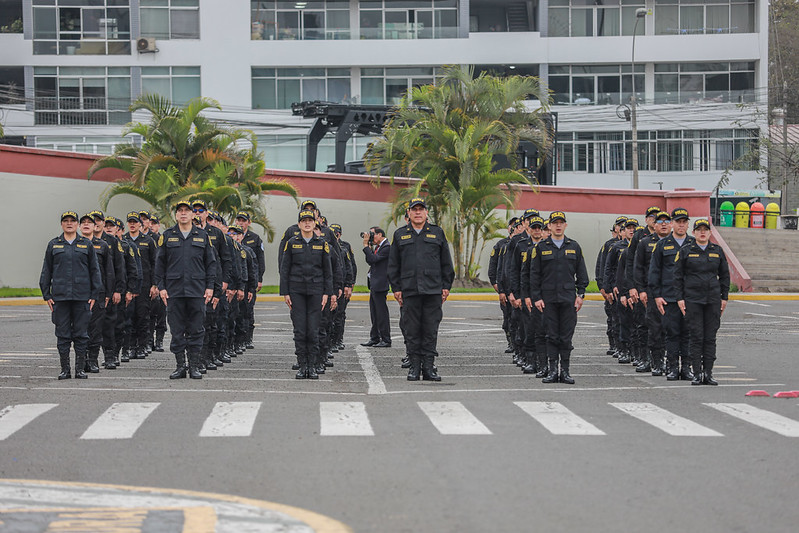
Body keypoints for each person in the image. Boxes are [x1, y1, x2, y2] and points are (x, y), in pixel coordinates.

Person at [387, 197, 455, 382]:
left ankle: (429, 367)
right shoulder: (400, 235)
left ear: (426, 213)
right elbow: (393, 265)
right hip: (410, 290)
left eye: (421, 209)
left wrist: (446, 286)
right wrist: (396, 288)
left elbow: (446, 263)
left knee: (430, 329)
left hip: (433, 290)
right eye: (414, 209)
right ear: (408, 213)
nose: (418, 212)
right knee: (412, 329)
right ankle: (414, 367)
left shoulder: (437, 233)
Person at [154, 200, 217, 379]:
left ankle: (194, 366)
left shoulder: (202, 236)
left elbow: (211, 263)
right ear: (176, 215)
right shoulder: (167, 236)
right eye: (180, 211)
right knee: (176, 330)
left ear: (192, 215)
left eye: (186, 211)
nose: (183, 213)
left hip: (197, 290)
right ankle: (180, 366)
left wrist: (210, 286)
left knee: (197, 329)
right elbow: (160, 264)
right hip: (174, 291)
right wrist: (161, 287)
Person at [39, 211, 102, 380]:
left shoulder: (86, 245)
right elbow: (46, 271)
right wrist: (47, 295)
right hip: (60, 298)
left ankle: (80, 369)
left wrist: (94, 294)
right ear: (61, 224)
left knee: (81, 335)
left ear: (77, 224)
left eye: (72, 221)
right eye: (65, 221)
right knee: (63, 335)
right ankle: (65, 370)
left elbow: (95, 271)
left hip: (82, 298)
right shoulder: (54, 245)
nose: (69, 223)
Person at [529, 211, 589, 385]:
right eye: (555, 222)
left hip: (568, 300)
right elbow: (534, 275)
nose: (558, 225)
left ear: (565, 225)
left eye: (561, 222)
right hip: (548, 300)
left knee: (566, 337)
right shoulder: (541, 247)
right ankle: (553, 370)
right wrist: (537, 297)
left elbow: (582, 273)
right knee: (551, 336)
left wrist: (581, 294)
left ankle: (566, 371)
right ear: (549, 225)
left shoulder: (574, 246)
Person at [675, 218, 730, 385]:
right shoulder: (686, 251)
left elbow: (725, 275)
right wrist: (679, 298)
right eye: (699, 230)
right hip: (693, 299)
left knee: (710, 338)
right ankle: (697, 373)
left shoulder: (717, 251)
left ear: (710, 232)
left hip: (712, 299)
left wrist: (724, 297)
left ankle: (708, 373)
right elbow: (677, 277)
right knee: (696, 337)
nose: (702, 232)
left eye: (705, 229)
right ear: (694, 233)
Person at [280, 209, 333, 379]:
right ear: (299, 224)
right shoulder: (291, 242)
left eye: (310, 220)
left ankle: (313, 365)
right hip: (297, 292)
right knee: (300, 330)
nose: (307, 223)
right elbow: (285, 269)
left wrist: (327, 293)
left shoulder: (322, 243)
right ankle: (303, 366)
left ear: (315, 223)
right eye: (304, 221)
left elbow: (328, 271)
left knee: (313, 330)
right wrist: (285, 292)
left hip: (316, 291)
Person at [649, 207, 695, 381]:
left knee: (688, 333)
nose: (681, 225)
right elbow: (654, 271)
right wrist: (657, 295)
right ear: (672, 223)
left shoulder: (693, 243)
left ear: (688, 224)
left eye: (684, 222)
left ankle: (687, 368)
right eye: (678, 222)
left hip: (690, 297)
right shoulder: (662, 245)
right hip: (669, 297)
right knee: (672, 333)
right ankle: (673, 368)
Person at [633, 211, 672, 375]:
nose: (663, 224)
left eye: (666, 221)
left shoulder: (679, 243)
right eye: (659, 221)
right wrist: (640, 290)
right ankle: (655, 362)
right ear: (653, 225)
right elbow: (637, 267)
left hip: (672, 292)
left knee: (673, 329)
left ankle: (671, 363)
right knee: (654, 328)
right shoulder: (645, 243)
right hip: (651, 291)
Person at [80, 213, 114, 373]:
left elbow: (109, 271)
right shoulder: (74, 245)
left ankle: (92, 360)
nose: (86, 224)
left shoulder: (102, 245)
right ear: (80, 227)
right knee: (80, 328)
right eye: (83, 222)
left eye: (90, 223)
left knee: (95, 328)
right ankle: (82, 359)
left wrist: (108, 293)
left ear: (95, 227)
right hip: (80, 293)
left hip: (99, 293)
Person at [124, 211, 158, 360]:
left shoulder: (148, 241)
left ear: (140, 224)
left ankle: (142, 346)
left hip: (145, 285)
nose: (132, 224)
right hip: (130, 285)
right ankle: (132, 346)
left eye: (135, 222)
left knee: (143, 316)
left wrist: (154, 284)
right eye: (130, 222)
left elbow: (154, 263)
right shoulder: (124, 240)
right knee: (129, 316)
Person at [237, 211, 265, 349]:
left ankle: (248, 339)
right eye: (239, 220)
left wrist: (259, 279)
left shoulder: (255, 238)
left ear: (249, 222)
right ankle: (239, 340)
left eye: (243, 220)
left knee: (248, 310)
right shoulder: (232, 237)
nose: (241, 223)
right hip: (239, 280)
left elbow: (260, 260)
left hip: (250, 280)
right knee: (239, 312)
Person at [361, 227, 392, 347]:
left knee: (381, 312)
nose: (371, 237)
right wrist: (368, 247)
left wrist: (365, 246)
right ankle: (374, 337)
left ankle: (386, 339)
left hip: (381, 284)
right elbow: (370, 261)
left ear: (380, 234)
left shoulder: (387, 247)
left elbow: (374, 259)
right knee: (374, 312)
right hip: (375, 283)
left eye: (373, 234)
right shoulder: (379, 247)